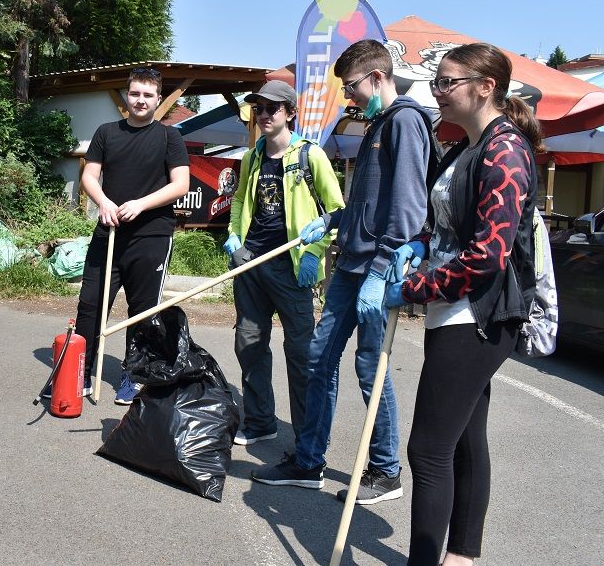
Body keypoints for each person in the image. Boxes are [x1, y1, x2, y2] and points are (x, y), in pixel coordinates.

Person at [252, 39, 432, 504]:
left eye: (351, 87)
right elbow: (368, 203)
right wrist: (332, 220)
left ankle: (385, 470)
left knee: (371, 367)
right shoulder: (376, 125)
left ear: (377, 77)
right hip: (351, 263)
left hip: (377, 267)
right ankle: (309, 462)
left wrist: (382, 266)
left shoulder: (406, 121)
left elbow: (409, 203)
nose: (348, 97)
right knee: (318, 358)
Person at [384, 43, 543, 566]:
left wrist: (413, 290)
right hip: (452, 311)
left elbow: (487, 256)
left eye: (447, 83)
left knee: (428, 452)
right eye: (437, 83)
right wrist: (419, 245)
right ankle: (461, 557)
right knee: (465, 440)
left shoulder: (505, 150)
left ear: (485, 86)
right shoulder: (464, 147)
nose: (438, 92)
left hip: (478, 315)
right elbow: (449, 226)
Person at [43, 66, 189, 405]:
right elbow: (90, 177)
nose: (140, 100)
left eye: (148, 95)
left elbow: (180, 185)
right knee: (91, 305)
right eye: (135, 93)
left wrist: (140, 204)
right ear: (127, 95)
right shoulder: (107, 132)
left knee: (142, 311)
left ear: (157, 98)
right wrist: (105, 203)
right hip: (108, 234)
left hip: (152, 236)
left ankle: (134, 375)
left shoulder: (170, 137)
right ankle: (80, 372)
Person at [224, 81, 344, 445]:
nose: (263, 115)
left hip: (292, 268)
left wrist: (313, 253)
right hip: (250, 263)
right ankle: (260, 422)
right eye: (258, 108)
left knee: (302, 353)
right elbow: (241, 203)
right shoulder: (251, 157)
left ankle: (307, 437)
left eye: (272, 109)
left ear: (290, 113)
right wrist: (234, 239)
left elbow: (337, 212)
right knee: (249, 343)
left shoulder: (311, 156)